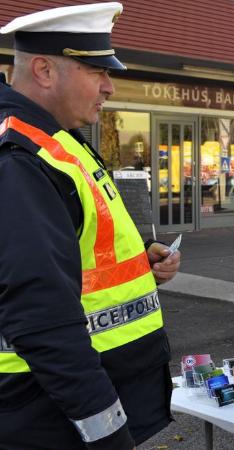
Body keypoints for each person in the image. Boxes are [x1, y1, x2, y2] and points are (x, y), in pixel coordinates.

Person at [0, 4, 181, 449]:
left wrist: (140, 260)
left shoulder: (56, 142)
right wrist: (108, 433)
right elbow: (42, 320)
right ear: (43, 70)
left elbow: (75, 248)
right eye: (96, 70)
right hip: (53, 420)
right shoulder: (21, 161)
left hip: (67, 411)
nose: (109, 87)